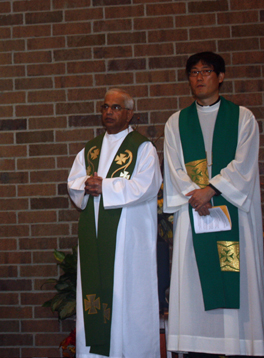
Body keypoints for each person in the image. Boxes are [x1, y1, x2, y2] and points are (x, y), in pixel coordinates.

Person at [163, 51, 264, 357]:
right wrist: (194, 194)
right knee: (193, 277)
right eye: (193, 73)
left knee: (234, 271)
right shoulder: (176, 122)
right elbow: (173, 166)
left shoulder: (243, 118)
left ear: (221, 77)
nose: (199, 78)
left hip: (230, 213)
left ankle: (239, 345)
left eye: (206, 71)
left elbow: (244, 163)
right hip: (192, 210)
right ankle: (196, 344)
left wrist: (210, 190)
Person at [67, 88, 162, 358]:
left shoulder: (143, 148)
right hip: (96, 240)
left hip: (128, 244)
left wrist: (106, 186)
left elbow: (148, 185)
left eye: (116, 107)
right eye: (105, 107)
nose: (109, 112)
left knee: (129, 299)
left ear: (130, 113)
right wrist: (86, 185)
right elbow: (73, 182)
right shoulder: (90, 149)